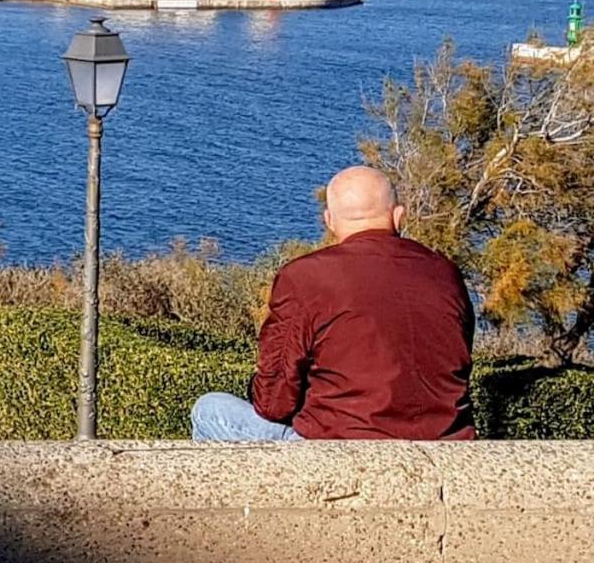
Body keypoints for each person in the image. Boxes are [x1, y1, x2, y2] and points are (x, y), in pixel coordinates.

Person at [191, 165, 475, 442]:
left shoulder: (305, 277)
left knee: (209, 410)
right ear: (398, 216)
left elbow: (274, 402)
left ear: (330, 220)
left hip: (337, 448)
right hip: (445, 446)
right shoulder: (446, 274)